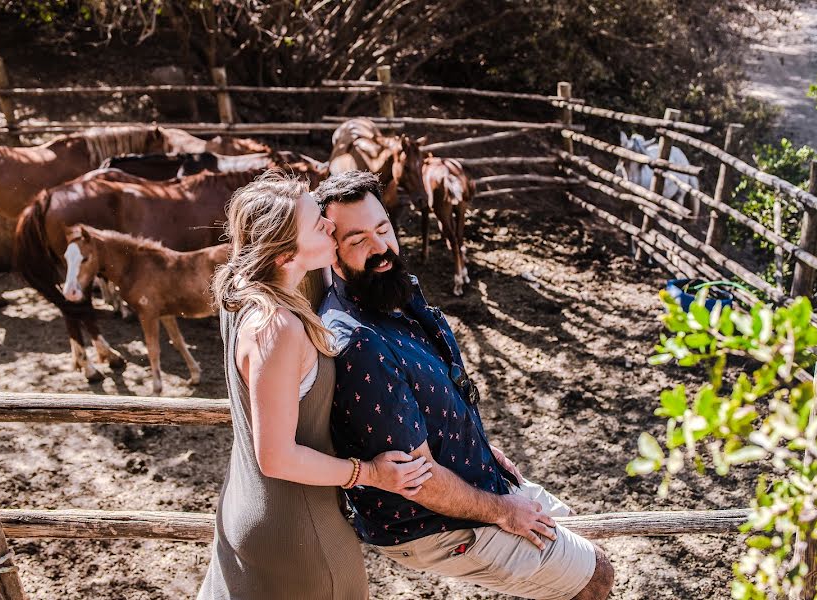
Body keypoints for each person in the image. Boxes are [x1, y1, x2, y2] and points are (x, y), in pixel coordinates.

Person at [316, 171, 614, 600]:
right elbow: (417, 480)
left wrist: (478, 450)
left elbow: (425, 403)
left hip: (466, 481)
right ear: (331, 250)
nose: (381, 248)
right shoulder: (361, 342)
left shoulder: (384, 293)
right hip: (426, 522)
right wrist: (504, 512)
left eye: (383, 229)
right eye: (358, 240)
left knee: (572, 535)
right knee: (595, 577)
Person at [198, 170, 434, 600]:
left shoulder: (242, 294)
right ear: (286, 256)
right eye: (316, 223)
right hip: (301, 533)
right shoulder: (279, 328)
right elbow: (276, 457)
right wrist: (372, 474)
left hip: (247, 511)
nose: (329, 223)